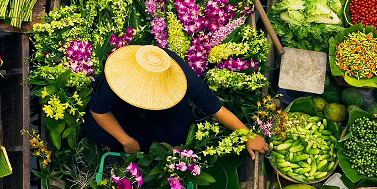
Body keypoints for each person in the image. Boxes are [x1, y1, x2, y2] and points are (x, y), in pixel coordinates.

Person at [83, 44, 269, 156]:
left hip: (166, 106)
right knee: (94, 130)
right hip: (121, 104)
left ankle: (147, 135)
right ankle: (136, 135)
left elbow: (215, 108)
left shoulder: (181, 77)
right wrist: (126, 141)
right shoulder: (119, 75)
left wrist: (248, 135)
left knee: (178, 135)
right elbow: (98, 110)